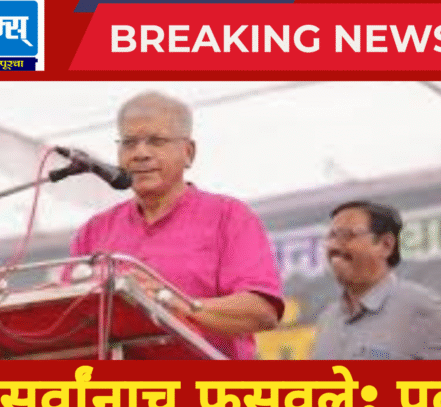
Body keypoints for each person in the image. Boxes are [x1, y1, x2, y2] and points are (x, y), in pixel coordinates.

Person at [69, 91, 284, 359]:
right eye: (129, 143)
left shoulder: (229, 217)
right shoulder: (94, 232)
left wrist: (169, 300)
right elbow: (68, 319)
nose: (140, 154)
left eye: (156, 141)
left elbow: (262, 311)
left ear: (188, 153)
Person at [311, 201, 441, 360]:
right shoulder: (329, 319)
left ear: (386, 245)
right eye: (331, 236)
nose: (333, 246)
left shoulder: (418, 309)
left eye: (347, 235)